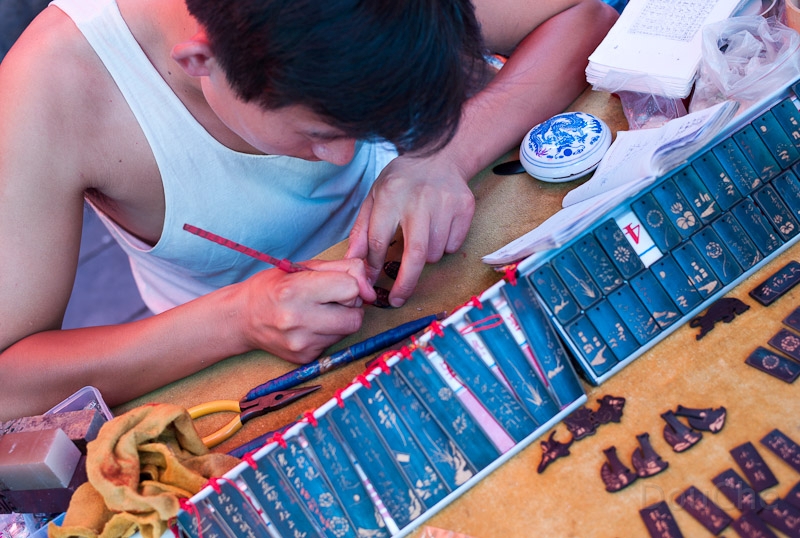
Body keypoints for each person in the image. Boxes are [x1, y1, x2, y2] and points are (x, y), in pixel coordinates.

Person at [0, 0, 617, 420]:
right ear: (201, 62)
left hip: (464, 237)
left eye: (381, 122)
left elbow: (583, 16)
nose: (343, 157)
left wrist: (443, 154)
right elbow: (8, 382)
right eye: (318, 132)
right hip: (247, 369)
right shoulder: (55, 87)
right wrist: (236, 318)